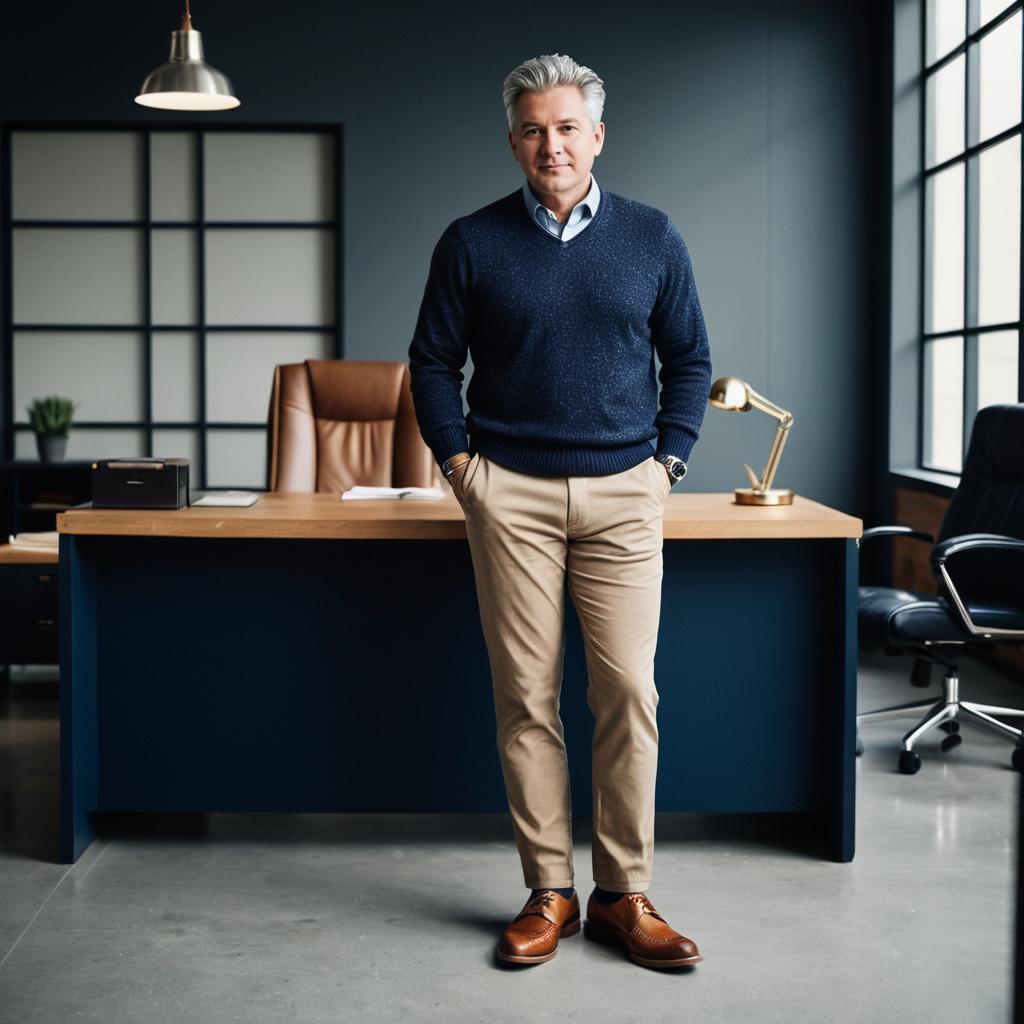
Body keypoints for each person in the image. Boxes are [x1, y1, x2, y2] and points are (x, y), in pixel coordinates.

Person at [408, 53, 711, 969]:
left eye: (568, 127)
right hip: (514, 499)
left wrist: (668, 465)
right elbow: (430, 363)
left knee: (628, 691)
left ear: (598, 137)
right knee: (525, 699)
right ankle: (551, 889)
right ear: (513, 142)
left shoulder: (653, 237)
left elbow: (690, 361)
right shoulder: (471, 241)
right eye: (534, 129)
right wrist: (464, 469)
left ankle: (625, 893)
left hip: (627, 493)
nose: (552, 144)